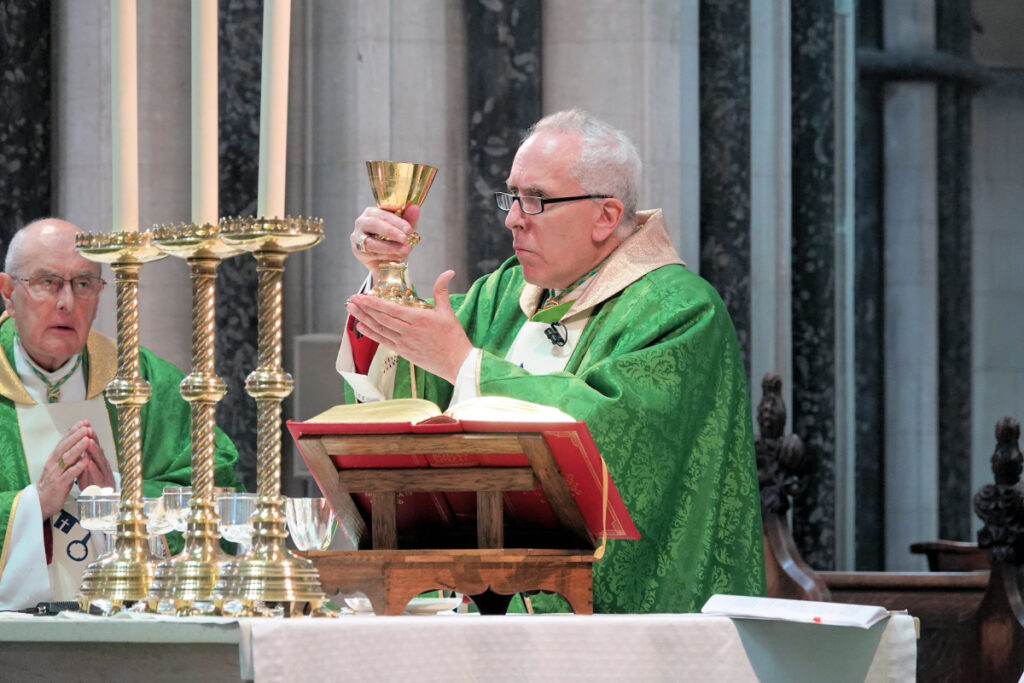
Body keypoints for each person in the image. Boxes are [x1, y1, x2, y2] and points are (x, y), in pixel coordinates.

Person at [338, 109, 765, 613]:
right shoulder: (504, 292)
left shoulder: (680, 310)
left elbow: (608, 435)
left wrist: (467, 367)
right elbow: (412, 406)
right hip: (474, 603)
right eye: (512, 196)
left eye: (536, 200)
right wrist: (387, 279)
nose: (512, 217)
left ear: (605, 216)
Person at [0, 218, 241, 610]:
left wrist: (118, 497)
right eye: (47, 282)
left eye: (83, 284)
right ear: (8, 293)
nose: (66, 302)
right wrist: (34, 504)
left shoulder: (147, 384)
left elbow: (219, 494)